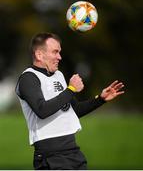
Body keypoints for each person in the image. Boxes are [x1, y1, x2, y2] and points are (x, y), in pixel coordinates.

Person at [15, 32, 124, 170]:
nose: (59, 57)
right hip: (51, 156)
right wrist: (71, 89)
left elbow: (74, 110)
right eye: (55, 52)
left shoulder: (58, 75)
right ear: (39, 55)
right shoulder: (28, 78)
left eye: (59, 52)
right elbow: (42, 110)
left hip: (73, 152)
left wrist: (100, 99)